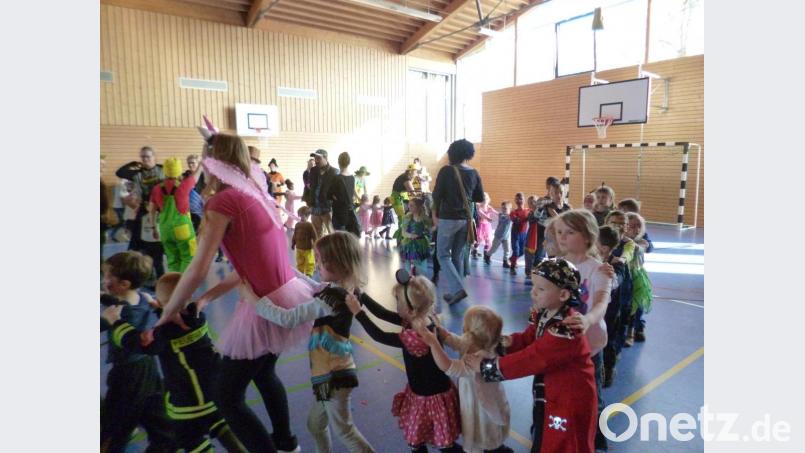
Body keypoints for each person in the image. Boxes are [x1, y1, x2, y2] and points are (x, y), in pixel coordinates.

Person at [157, 133, 308, 453]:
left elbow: (198, 267)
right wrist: (206, 298)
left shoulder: (222, 202)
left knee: (226, 397)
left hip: (264, 303)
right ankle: (286, 442)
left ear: (213, 162)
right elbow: (247, 266)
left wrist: (169, 310)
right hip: (284, 294)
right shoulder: (254, 193)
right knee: (265, 374)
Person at [244, 232, 375, 453]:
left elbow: (289, 318)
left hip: (335, 378)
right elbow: (315, 285)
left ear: (337, 264)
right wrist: (286, 271)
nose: (316, 265)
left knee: (345, 431)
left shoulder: (332, 299)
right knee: (315, 425)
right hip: (325, 375)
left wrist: (254, 300)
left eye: (321, 261)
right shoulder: (345, 289)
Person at [104, 272, 247, 452]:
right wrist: (160, 307)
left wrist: (116, 322)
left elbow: (139, 343)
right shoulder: (197, 314)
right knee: (217, 422)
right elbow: (175, 314)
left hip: (189, 402)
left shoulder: (163, 333)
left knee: (189, 441)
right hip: (216, 390)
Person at [467, 258, 597, 453]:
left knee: (565, 444)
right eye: (533, 286)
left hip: (568, 399)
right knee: (545, 437)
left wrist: (487, 366)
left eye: (541, 289)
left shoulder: (566, 330)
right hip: (551, 393)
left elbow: (535, 357)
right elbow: (530, 338)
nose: (533, 292)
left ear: (563, 294)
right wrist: (501, 343)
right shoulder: (545, 314)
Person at [344, 271, 463, 453]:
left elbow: (379, 335)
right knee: (425, 439)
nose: (396, 306)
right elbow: (384, 314)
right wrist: (363, 297)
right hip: (426, 392)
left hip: (430, 397)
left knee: (440, 443)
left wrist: (358, 313)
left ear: (412, 310)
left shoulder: (416, 336)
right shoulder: (423, 319)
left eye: (398, 302)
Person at [100, 251, 176, 452]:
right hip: (148, 370)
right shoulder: (143, 297)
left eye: (107, 277)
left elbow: (116, 316)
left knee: (114, 428)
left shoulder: (121, 313)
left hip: (127, 374)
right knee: (160, 424)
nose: (103, 280)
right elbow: (117, 299)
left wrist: (107, 320)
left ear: (124, 284)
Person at [551, 209, 613, 452]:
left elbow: (601, 303)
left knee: (591, 396)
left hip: (589, 347)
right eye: (559, 232)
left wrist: (587, 319)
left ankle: (596, 435)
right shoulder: (555, 266)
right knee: (558, 392)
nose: (562, 237)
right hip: (560, 346)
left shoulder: (598, 270)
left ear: (588, 237)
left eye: (570, 232)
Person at [418, 307, 513, 453]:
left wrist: (433, 344)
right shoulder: (481, 342)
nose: (462, 327)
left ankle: (494, 449)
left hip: (480, 405)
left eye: (465, 326)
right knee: (489, 433)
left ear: (472, 334)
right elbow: (459, 342)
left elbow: (448, 366)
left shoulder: (479, 359)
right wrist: (442, 332)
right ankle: (496, 447)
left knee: (484, 432)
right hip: (485, 398)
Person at [431, 139, 485, 306]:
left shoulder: (446, 171)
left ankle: (458, 288)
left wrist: (434, 214)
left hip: (448, 219)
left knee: (442, 254)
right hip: (465, 220)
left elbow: (436, 196)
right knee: (457, 255)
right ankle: (456, 292)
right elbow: (479, 198)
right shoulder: (474, 172)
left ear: (452, 153)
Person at [597, 225, 632, 388]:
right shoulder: (591, 262)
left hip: (610, 312)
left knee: (609, 340)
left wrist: (606, 274)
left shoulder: (617, 265)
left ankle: (609, 369)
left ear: (603, 248)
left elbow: (615, 282)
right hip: (594, 311)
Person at [149, 158, 197, 273]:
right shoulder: (184, 185)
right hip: (182, 228)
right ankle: (182, 283)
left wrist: (153, 228)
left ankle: (173, 283)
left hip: (164, 229)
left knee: (172, 259)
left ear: (165, 171)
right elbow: (197, 173)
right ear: (179, 171)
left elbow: (151, 210)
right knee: (188, 257)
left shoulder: (156, 188)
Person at [119, 146, 164, 254]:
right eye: (142, 157)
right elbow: (120, 173)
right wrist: (133, 164)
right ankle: (133, 261)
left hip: (160, 208)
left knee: (158, 241)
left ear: (154, 157)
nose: (145, 159)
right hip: (144, 207)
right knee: (136, 237)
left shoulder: (162, 169)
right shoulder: (137, 173)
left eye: (148, 156)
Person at [624, 212, 654, 346]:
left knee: (636, 305)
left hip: (637, 276)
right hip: (624, 276)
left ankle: (632, 331)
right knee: (624, 305)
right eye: (632, 226)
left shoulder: (642, 241)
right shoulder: (620, 240)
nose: (636, 229)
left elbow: (643, 246)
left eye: (638, 226)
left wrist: (629, 242)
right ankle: (623, 330)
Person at [536, 182, 572, 263]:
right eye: (556, 193)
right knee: (553, 261)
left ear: (565, 193)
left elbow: (571, 222)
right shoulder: (550, 206)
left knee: (565, 260)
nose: (559, 195)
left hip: (564, 238)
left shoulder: (568, 207)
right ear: (551, 194)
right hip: (552, 240)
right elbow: (559, 219)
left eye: (561, 192)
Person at [306, 149, 339, 238]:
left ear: (325, 158)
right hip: (315, 208)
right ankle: (319, 252)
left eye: (318, 158)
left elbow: (337, 191)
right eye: (315, 158)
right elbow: (311, 187)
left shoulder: (335, 172)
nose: (316, 161)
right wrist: (310, 203)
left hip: (327, 208)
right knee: (317, 234)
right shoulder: (313, 170)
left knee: (331, 234)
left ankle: (332, 251)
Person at [399, 197, 432, 276]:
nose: (409, 207)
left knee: (421, 262)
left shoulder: (424, 218)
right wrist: (410, 235)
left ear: (418, 207)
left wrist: (428, 231)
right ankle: (409, 276)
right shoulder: (407, 217)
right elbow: (403, 232)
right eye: (409, 205)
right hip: (409, 242)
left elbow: (430, 228)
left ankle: (418, 276)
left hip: (421, 242)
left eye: (412, 206)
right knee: (407, 260)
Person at [332, 152, 361, 237]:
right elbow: (351, 194)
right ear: (349, 163)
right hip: (349, 211)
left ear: (338, 162)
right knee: (348, 237)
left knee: (339, 236)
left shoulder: (336, 178)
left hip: (339, 212)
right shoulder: (352, 178)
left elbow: (330, 195)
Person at [485, 201, 512, 267]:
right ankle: (487, 255)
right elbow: (504, 220)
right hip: (498, 235)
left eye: (505, 209)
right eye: (502, 208)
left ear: (509, 209)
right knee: (494, 249)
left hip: (506, 236)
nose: (503, 210)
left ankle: (505, 261)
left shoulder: (510, 216)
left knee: (507, 249)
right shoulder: (502, 216)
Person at [293, 206, 318, 278]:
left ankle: (309, 274)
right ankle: (300, 273)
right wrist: (293, 243)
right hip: (299, 247)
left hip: (307, 248)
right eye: (300, 216)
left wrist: (315, 244)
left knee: (309, 261)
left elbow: (314, 235)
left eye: (302, 216)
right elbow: (295, 234)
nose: (301, 218)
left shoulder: (309, 225)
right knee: (299, 261)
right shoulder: (297, 224)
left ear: (307, 216)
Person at [508, 193, 529, 275]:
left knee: (523, 251)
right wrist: (526, 218)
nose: (519, 200)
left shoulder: (528, 211)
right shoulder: (513, 212)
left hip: (524, 234)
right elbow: (515, 220)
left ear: (524, 200)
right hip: (515, 234)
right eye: (517, 199)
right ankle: (512, 268)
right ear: (515, 201)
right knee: (516, 251)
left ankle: (512, 259)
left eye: (520, 198)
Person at [472, 193, 497, 261]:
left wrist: (501, 215)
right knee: (479, 239)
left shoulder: (489, 207)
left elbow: (496, 212)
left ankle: (486, 253)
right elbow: (481, 213)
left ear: (488, 200)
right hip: (480, 225)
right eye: (483, 199)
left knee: (488, 239)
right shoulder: (479, 206)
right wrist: (488, 218)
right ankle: (475, 250)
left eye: (486, 199)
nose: (485, 201)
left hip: (487, 226)